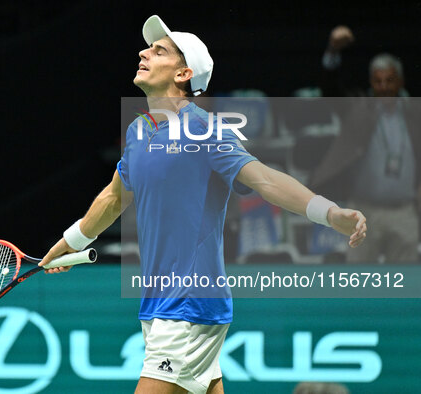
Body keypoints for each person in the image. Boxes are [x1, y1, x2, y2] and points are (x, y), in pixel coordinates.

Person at [39, 16, 367, 394]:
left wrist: (328, 213)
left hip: (188, 304)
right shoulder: (139, 130)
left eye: (159, 50)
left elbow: (265, 179)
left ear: (183, 73)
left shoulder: (204, 130)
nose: (143, 52)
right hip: (160, 302)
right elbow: (114, 196)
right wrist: (72, 240)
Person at [310, 25, 421, 263]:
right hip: (363, 211)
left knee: (406, 289)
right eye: (378, 81)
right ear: (371, 82)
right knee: (360, 284)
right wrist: (332, 52)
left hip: (405, 211)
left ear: (400, 81)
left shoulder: (414, 112)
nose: (384, 87)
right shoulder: (358, 110)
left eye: (389, 80)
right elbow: (329, 90)